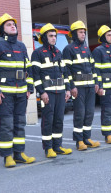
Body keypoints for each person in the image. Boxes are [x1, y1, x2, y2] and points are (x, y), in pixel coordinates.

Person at [0, 13, 35, 167]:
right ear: (2, 29)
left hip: (21, 92)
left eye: (14, 24)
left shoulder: (21, 46)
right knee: (6, 124)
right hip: (4, 94)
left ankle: (19, 154)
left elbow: (28, 68)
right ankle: (7, 156)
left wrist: (29, 88)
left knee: (20, 123)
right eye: (8, 24)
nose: (13, 26)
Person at [31, 23, 72, 157]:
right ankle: (48, 148)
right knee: (48, 121)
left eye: (55, 36)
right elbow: (35, 75)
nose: (54, 38)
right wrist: (41, 92)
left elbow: (64, 73)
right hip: (47, 93)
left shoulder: (58, 52)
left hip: (60, 92)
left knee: (59, 120)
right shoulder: (37, 53)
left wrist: (67, 89)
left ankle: (58, 146)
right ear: (44, 37)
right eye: (51, 36)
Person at [62, 21, 100, 151]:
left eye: (84, 32)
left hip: (90, 86)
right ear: (74, 34)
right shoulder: (68, 49)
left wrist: (96, 82)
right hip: (78, 88)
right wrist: (71, 87)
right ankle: (79, 141)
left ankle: (87, 138)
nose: (83, 34)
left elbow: (93, 67)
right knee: (80, 113)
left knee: (89, 113)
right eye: (80, 32)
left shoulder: (86, 48)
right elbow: (66, 70)